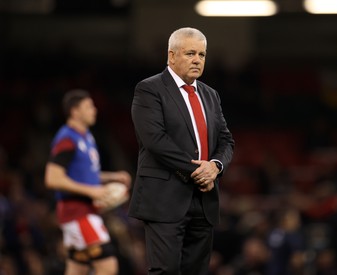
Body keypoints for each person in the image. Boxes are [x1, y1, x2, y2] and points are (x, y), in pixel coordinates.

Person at [128, 27, 235, 275]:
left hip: (204, 200)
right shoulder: (149, 89)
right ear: (171, 56)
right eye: (190, 53)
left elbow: (226, 140)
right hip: (164, 198)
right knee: (166, 270)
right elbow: (155, 140)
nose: (197, 59)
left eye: (202, 54)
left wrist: (215, 167)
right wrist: (200, 171)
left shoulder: (210, 95)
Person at [44, 89, 131, 275]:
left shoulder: (86, 137)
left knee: (78, 268)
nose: (94, 110)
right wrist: (92, 192)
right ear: (75, 112)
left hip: (83, 212)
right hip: (77, 213)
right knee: (108, 267)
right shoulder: (67, 138)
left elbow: (85, 175)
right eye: (89, 106)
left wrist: (112, 177)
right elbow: (52, 178)